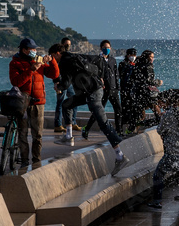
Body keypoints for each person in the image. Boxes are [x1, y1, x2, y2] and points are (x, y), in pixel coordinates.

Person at [51, 44, 130, 174]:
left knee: (102, 122)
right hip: (90, 92)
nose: (54, 59)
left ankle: (120, 156)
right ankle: (69, 135)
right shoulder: (76, 56)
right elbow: (99, 60)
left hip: (92, 92)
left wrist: (57, 85)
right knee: (66, 104)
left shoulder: (64, 61)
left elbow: (65, 84)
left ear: (57, 53)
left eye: (54, 57)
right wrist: (101, 78)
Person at [8, 38, 60, 166]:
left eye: (35, 49)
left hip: (38, 101)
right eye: (32, 49)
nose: (35, 51)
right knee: (23, 134)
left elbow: (54, 74)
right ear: (24, 50)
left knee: (38, 135)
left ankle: (36, 160)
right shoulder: (15, 63)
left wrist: (52, 61)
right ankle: (25, 161)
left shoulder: (39, 61)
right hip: (22, 102)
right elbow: (16, 82)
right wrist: (30, 70)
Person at [83, 40, 120, 139]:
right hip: (103, 90)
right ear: (100, 48)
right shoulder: (97, 60)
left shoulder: (113, 60)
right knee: (98, 111)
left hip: (114, 89)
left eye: (108, 48)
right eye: (104, 47)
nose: (106, 49)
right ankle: (86, 128)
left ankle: (119, 131)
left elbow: (116, 74)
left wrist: (117, 86)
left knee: (118, 110)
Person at [129, 50, 163, 132]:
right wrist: (158, 82)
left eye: (153, 57)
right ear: (146, 57)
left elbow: (133, 78)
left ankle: (134, 130)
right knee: (157, 112)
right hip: (148, 93)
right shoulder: (148, 66)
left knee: (141, 114)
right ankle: (161, 127)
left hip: (138, 93)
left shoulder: (137, 65)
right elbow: (148, 81)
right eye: (151, 57)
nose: (152, 59)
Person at [52, 37, 80, 133]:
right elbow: (55, 71)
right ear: (62, 45)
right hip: (60, 82)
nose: (68, 46)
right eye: (66, 45)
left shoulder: (68, 57)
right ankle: (58, 124)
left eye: (69, 44)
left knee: (74, 101)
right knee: (60, 103)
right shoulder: (57, 57)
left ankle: (73, 122)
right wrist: (56, 83)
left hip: (69, 83)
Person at [118, 48, 137, 136]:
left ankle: (131, 128)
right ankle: (120, 128)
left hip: (133, 90)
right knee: (124, 108)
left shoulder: (136, 64)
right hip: (125, 90)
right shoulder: (123, 64)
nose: (133, 57)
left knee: (133, 109)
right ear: (127, 55)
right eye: (131, 55)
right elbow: (121, 76)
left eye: (134, 55)